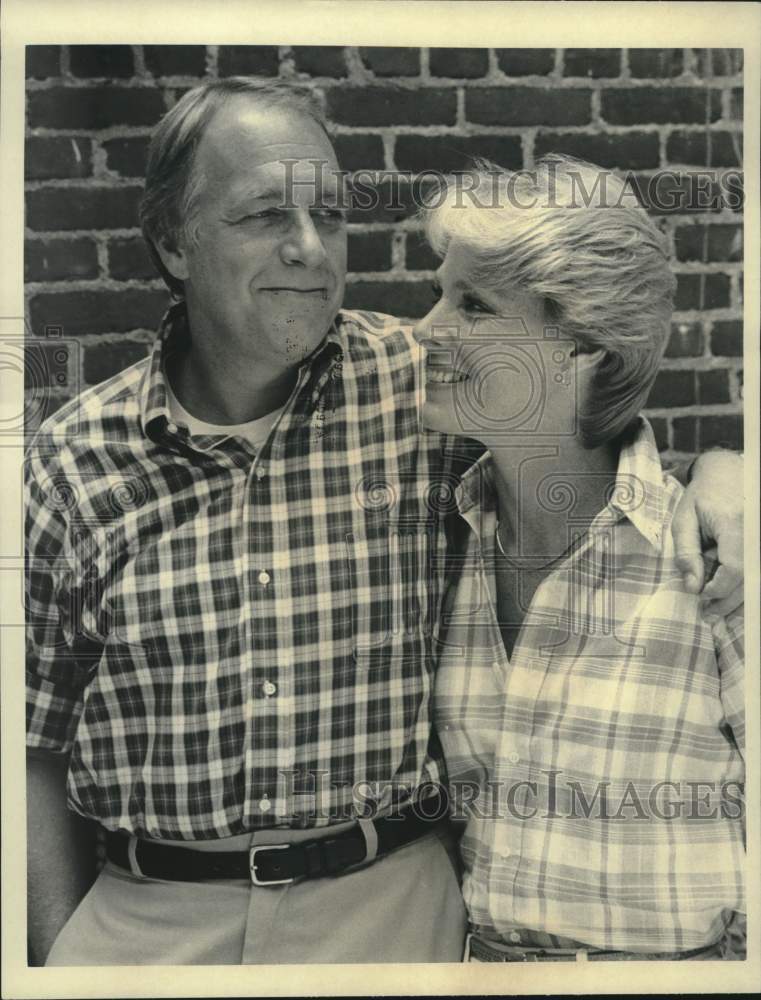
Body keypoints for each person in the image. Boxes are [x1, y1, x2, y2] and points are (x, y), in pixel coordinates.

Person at [25, 79, 743, 967]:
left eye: (330, 214)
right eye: (262, 216)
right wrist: (53, 955)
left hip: (387, 919)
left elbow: (578, 433)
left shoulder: (415, 388)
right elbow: (31, 738)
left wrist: (725, 479)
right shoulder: (74, 458)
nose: (309, 248)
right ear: (174, 241)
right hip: (147, 920)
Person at [413, 156, 745, 962]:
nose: (425, 328)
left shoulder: (715, 559)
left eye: (475, 306)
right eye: (440, 291)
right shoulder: (442, 537)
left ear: (583, 350)